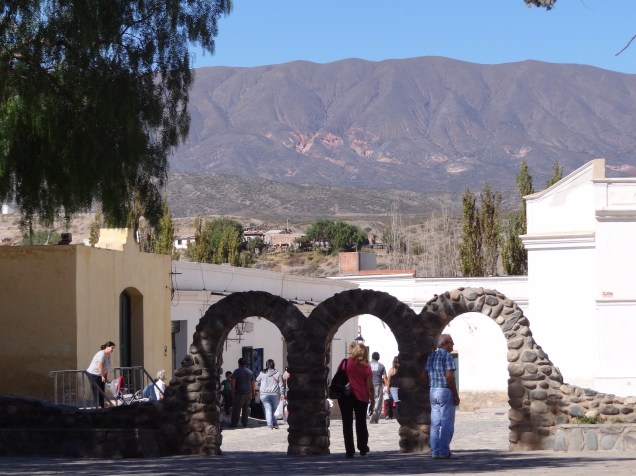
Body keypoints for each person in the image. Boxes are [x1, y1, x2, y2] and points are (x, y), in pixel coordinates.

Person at [423, 334, 460, 459]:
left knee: (435, 422)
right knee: (446, 423)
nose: (453, 345)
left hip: (433, 390)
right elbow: (449, 376)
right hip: (445, 390)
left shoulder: (431, 356)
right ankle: (444, 451)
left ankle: (435, 451)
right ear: (445, 344)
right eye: (451, 342)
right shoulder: (447, 356)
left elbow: (423, 375)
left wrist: (432, 383)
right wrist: (455, 394)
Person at [338, 341, 373, 458]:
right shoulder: (366, 367)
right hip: (361, 396)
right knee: (361, 422)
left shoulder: (345, 363)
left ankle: (349, 450)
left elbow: (338, 376)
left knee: (347, 423)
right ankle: (362, 447)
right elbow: (369, 386)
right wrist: (372, 400)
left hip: (345, 396)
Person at [86, 341, 116, 408]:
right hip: (93, 374)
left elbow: (106, 367)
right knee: (97, 390)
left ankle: (102, 406)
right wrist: (102, 376)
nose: (113, 350)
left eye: (114, 348)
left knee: (102, 390)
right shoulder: (101, 353)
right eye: (112, 348)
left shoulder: (108, 355)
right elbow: (100, 365)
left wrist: (105, 377)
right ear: (107, 347)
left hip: (100, 374)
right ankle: (99, 406)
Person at [256, 359, 282, 429]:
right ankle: (274, 423)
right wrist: (282, 393)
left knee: (268, 409)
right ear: (273, 365)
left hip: (264, 394)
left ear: (266, 365)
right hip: (275, 394)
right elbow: (281, 384)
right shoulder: (277, 373)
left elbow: (257, 379)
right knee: (274, 409)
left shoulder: (262, 372)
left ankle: (270, 425)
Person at [231, 357, 255, 428]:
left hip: (239, 393)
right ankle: (245, 423)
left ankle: (234, 423)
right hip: (248, 393)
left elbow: (233, 381)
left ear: (239, 364)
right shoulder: (250, 372)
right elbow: (253, 382)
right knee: (246, 408)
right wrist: (253, 392)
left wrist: (233, 389)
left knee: (236, 409)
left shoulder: (237, 371)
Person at [368, 352, 387, 424]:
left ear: (372, 357)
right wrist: (387, 386)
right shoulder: (381, 366)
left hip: (369, 385)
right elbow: (385, 377)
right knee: (378, 402)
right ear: (378, 357)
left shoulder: (367, 365)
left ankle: (371, 415)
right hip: (378, 385)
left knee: (369, 401)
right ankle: (376, 416)